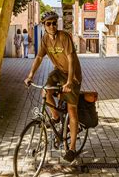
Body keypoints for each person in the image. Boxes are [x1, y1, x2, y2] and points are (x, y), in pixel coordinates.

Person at [24, 11, 82, 162]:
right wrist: (30, 75)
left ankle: (72, 148)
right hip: (58, 72)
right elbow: (38, 57)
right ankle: (55, 117)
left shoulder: (64, 37)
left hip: (72, 75)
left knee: (72, 110)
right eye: (48, 23)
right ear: (44, 25)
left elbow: (71, 60)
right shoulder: (44, 39)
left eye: (54, 23)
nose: (52, 26)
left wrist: (69, 81)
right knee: (45, 91)